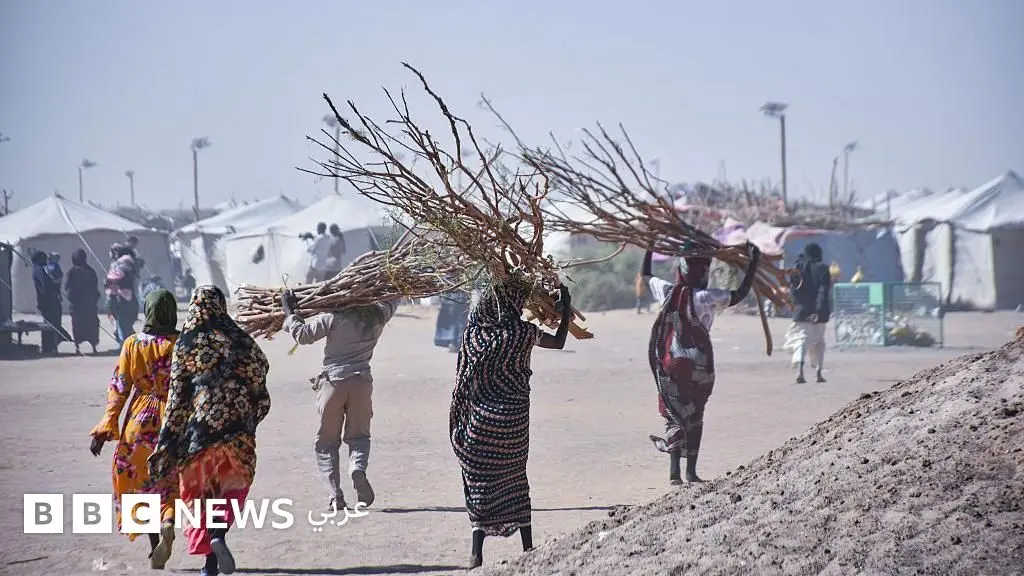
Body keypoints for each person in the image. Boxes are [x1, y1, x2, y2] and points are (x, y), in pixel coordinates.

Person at [148, 285, 271, 576]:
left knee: (198, 496)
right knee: (230, 490)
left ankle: (209, 560)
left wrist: (167, 441)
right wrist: (250, 413)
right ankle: (218, 540)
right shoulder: (241, 339)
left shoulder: (187, 343)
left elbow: (177, 398)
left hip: (199, 434)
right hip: (237, 433)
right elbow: (260, 372)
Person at [450, 280, 572, 569]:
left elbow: (462, 379)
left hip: (479, 425)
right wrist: (564, 308)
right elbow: (558, 342)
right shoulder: (523, 332)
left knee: (479, 482)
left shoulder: (474, 335)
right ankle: (528, 546)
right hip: (513, 425)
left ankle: (476, 553)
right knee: (516, 478)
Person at [641, 243, 760, 485]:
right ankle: (691, 472)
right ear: (704, 272)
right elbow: (739, 293)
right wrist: (753, 263)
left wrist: (650, 248)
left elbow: (645, 276)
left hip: (670, 362)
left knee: (673, 415)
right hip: (698, 365)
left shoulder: (668, 291)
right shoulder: (707, 297)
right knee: (695, 415)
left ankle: (674, 472)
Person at [280, 289, 397, 512]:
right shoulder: (378, 317)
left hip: (333, 384)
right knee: (359, 437)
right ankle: (357, 467)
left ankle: (335, 495)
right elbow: (393, 298)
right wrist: (390, 284)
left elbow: (303, 335)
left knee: (326, 442)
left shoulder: (332, 317)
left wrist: (289, 311)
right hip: (362, 384)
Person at [89, 289, 180, 569]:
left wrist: (104, 430)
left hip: (140, 423)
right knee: (172, 481)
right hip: (175, 419)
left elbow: (119, 388)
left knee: (135, 479)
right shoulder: (183, 344)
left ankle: (155, 544)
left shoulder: (132, 344)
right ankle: (168, 519)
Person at [784, 243, 832, 384]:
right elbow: (823, 291)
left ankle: (800, 370)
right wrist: (818, 310)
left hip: (801, 311)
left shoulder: (797, 268)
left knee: (801, 340)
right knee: (818, 342)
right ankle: (818, 372)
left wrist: (798, 306)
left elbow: (793, 291)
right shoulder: (822, 268)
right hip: (819, 313)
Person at [65, 248, 101, 354]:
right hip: (88, 304)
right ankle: (93, 347)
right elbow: (95, 287)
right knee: (91, 325)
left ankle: (77, 347)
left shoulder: (72, 271)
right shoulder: (90, 270)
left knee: (77, 325)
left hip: (77, 304)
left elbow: (67, 286)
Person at [32, 250, 65, 355]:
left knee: (49, 324)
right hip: (49, 301)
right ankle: (50, 347)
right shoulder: (40, 270)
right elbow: (45, 286)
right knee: (51, 324)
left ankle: (49, 347)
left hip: (44, 301)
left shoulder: (37, 269)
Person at [105, 248, 140, 345]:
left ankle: (125, 347)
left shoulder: (122, 266)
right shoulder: (131, 266)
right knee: (125, 325)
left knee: (122, 325)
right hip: (130, 300)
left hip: (122, 300)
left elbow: (112, 281)